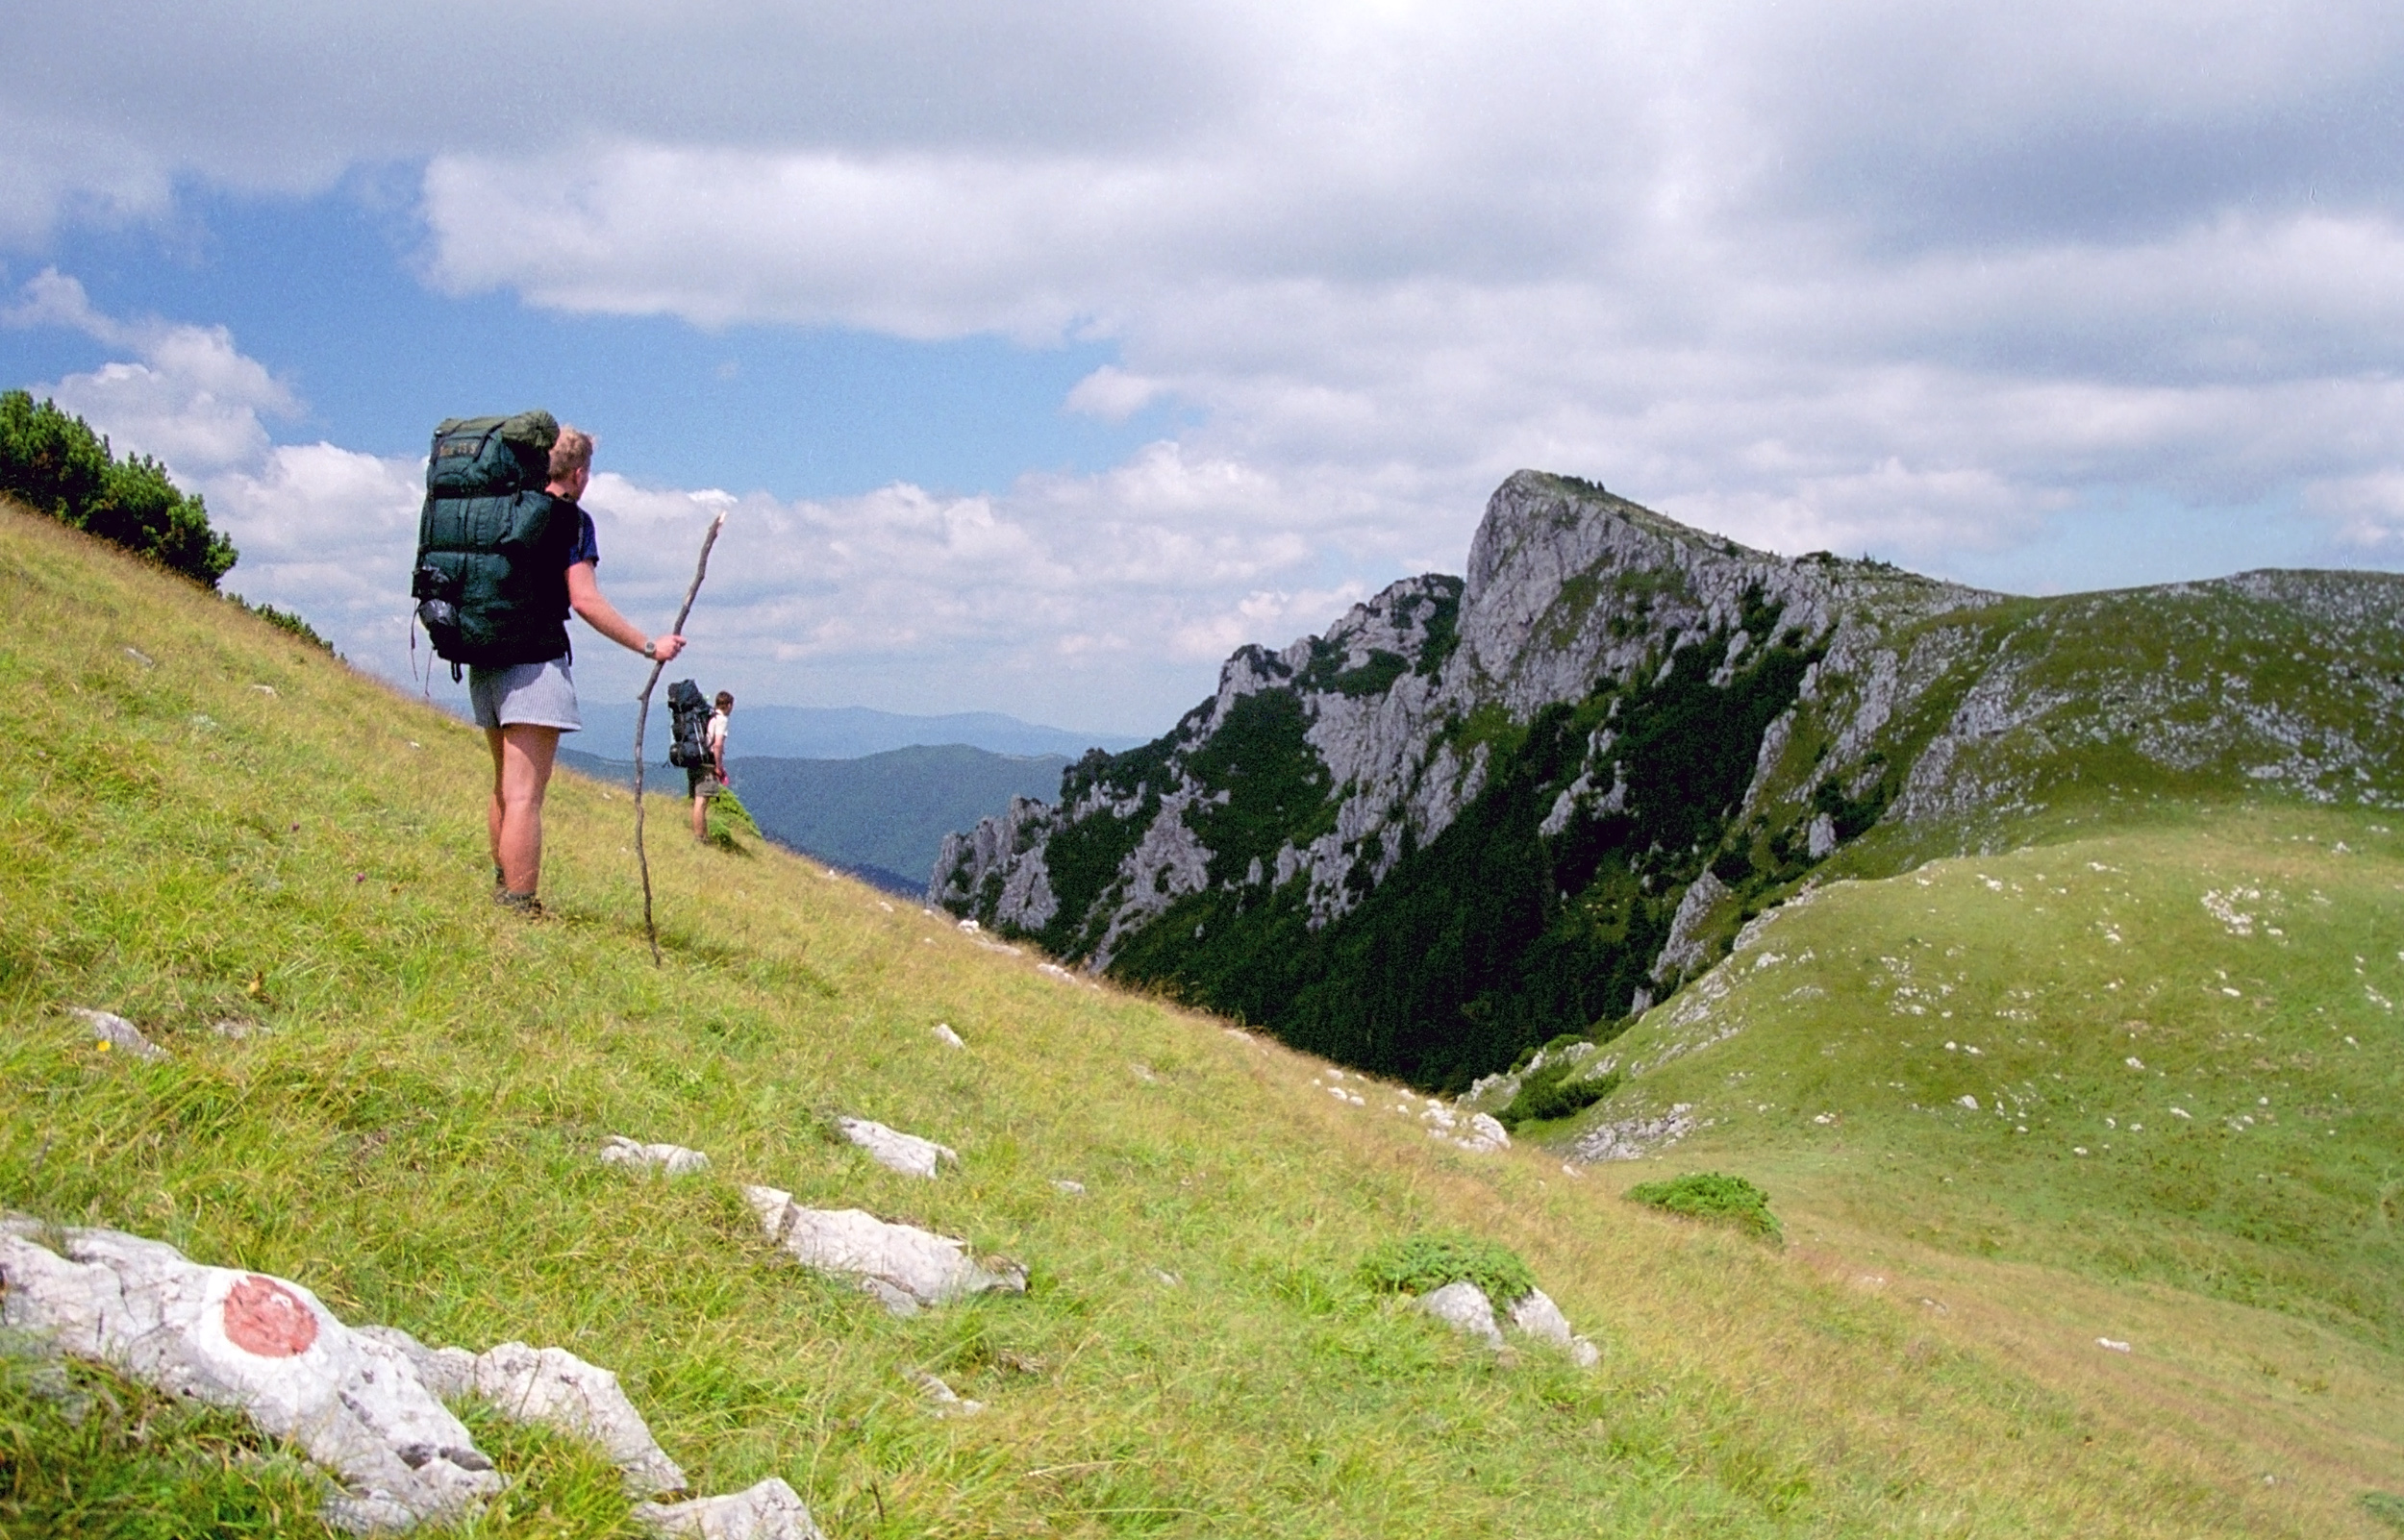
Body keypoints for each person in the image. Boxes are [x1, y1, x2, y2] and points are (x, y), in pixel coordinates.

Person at [470, 426, 685, 916]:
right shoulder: (571, 520)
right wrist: (649, 645)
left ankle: (503, 884)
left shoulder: (502, 510)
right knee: (525, 794)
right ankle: (519, 903)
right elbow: (584, 599)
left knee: (505, 783)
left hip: (484, 656)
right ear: (580, 471)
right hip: (535, 663)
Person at [690, 690, 733, 841]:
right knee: (702, 801)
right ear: (728, 705)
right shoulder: (722, 719)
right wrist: (718, 766)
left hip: (696, 759)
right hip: (708, 762)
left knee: (697, 800)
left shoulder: (709, 716)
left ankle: (700, 834)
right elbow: (718, 744)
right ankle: (700, 837)